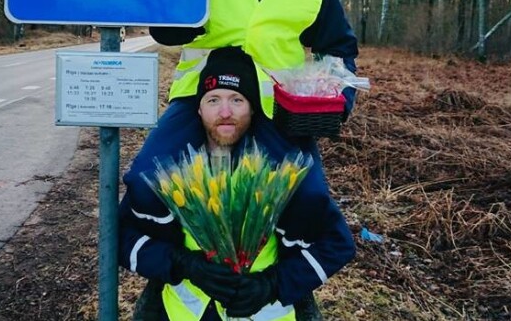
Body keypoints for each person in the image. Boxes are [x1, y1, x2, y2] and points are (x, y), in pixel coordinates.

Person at [123, 0, 358, 280]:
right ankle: (177, 258)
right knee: (146, 179)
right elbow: (164, 24)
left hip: (278, 103)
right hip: (202, 95)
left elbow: (338, 46)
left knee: (308, 196)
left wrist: (340, 97)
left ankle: (280, 274)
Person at [119, 47, 355, 320]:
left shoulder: (276, 171)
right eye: (213, 100)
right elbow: (122, 236)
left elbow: (339, 244)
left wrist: (272, 284)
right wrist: (182, 264)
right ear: (198, 108)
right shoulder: (173, 168)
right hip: (183, 313)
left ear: (253, 108)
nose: (225, 112)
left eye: (237, 100)